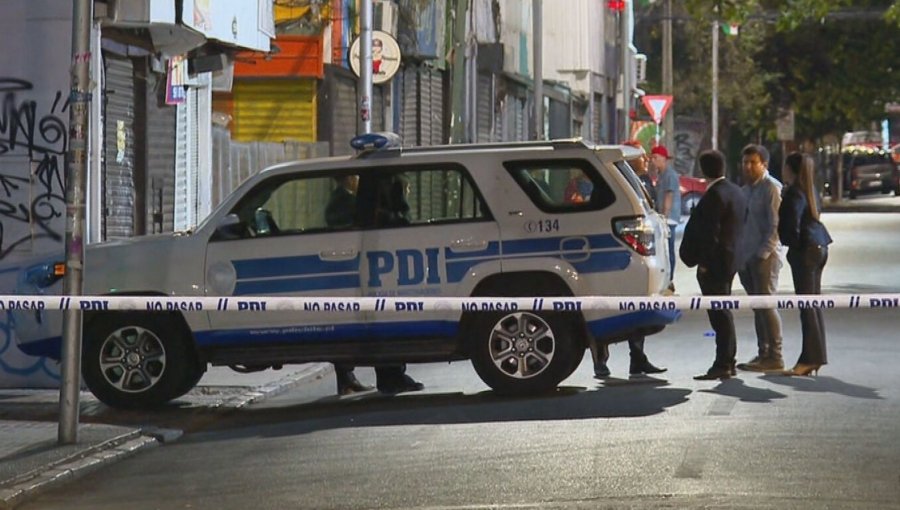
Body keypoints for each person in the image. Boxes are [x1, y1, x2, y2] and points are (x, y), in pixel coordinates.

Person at [325, 174, 423, 395]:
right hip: (362, 265)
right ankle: (387, 377)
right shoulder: (350, 200)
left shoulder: (355, 198)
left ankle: (354, 378)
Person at [591, 141, 665, 378]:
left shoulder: (638, 184)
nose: (646, 160)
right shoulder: (613, 185)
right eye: (641, 157)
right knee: (601, 308)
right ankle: (601, 361)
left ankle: (638, 358)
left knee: (637, 310)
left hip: (634, 257)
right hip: (611, 255)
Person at [680, 149, 747, 380]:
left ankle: (724, 361)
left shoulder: (714, 196)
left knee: (719, 314)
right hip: (731, 261)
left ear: (703, 170)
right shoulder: (736, 192)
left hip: (716, 264)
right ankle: (728, 359)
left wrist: (704, 264)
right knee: (723, 311)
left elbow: (710, 235)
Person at [778, 152, 832, 376]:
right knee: (813, 304)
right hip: (819, 246)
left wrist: (787, 245)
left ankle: (809, 358)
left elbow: (791, 226)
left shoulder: (793, 193)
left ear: (790, 169)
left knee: (807, 306)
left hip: (806, 251)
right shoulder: (809, 188)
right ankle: (815, 356)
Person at [735, 144, 785, 372]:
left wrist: (762, 252)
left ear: (763, 164)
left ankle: (775, 355)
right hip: (746, 257)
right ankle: (763, 352)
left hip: (765, 256)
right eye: (745, 162)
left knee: (767, 303)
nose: (747, 167)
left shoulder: (771, 188)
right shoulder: (746, 190)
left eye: (752, 162)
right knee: (757, 306)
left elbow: (775, 226)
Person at [650, 145, 681, 283]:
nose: (653, 161)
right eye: (652, 158)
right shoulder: (661, 175)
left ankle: (670, 279)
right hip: (663, 218)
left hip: (668, 220)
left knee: (668, 250)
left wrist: (664, 216)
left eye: (655, 158)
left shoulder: (670, 175)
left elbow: (669, 196)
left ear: (664, 159)